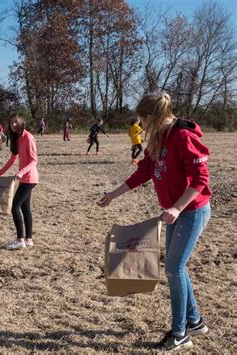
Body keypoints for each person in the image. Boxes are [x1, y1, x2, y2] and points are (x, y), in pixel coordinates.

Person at [97, 92, 212, 352]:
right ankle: (195, 321)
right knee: (176, 267)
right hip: (175, 212)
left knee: (174, 268)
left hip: (192, 211)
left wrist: (176, 207)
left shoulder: (182, 136)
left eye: (142, 118)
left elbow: (200, 180)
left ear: (153, 116)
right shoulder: (158, 138)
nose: (140, 123)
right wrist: (114, 194)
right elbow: (145, 171)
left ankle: (180, 333)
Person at [0, 114, 38, 250]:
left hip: (30, 178)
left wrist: (20, 173)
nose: (13, 125)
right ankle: (29, 239)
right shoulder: (17, 138)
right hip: (24, 179)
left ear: (21, 122)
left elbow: (34, 160)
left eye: (15, 122)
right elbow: (13, 159)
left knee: (15, 207)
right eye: (11, 123)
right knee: (25, 208)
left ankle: (20, 240)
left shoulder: (28, 137)